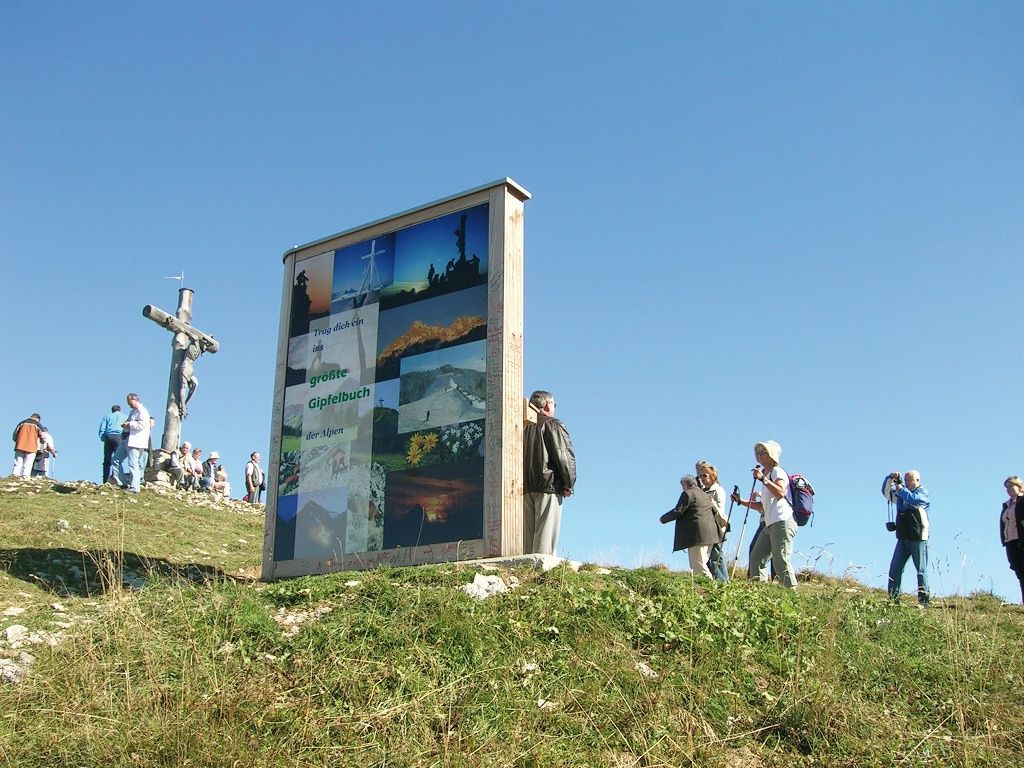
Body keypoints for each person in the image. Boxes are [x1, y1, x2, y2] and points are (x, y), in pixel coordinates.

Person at [732, 440, 798, 589]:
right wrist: (740, 501)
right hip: (770, 523)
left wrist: (763, 479)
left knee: (781, 559)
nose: (759, 455)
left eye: (763, 452)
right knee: (756, 558)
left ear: (772, 455)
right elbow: (762, 507)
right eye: (758, 452)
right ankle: (760, 593)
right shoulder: (768, 475)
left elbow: (780, 493)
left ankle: (791, 593)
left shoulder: (777, 471)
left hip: (782, 521)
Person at [523, 390, 576, 556]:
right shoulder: (553, 424)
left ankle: (525, 572)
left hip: (522, 488)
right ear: (546, 405)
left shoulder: (519, 426)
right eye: (554, 404)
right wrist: (569, 484)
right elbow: (564, 456)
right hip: (549, 486)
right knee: (545, 537)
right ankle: (541, 574)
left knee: (527, 537)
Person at [881, 469, 931, 606]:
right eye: (906, 480)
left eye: (910, 480)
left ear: (918, 480)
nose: (907, 483)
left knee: (921, 571)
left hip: (919, 538)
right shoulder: (901, 493)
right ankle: (894, 600)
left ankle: (923, 602)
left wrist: (900, 489)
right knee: (895, 569)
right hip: (903, 539)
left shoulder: (923, 494)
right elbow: (886, 493)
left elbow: (913, 500)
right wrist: (890, 478)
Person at [660, 474, 720, 578]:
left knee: (697, 565)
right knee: (701, 563)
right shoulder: (704, 495)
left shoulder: (688, 493)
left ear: (685, 484)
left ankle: (711, 588)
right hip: (711, 534)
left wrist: (663, 519)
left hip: (698, 536)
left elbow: (678, 511)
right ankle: (702, 590)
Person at [697, 461, 729, 581]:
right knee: (707, 556)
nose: (702, 478)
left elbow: (720, 510)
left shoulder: (718, 491)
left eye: (704, 475)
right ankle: (711, 579)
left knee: (717, 554)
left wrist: (712, 503)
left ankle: (722, 581)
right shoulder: (703, 491)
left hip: (717, 527)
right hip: (707, 528)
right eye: (700, 476)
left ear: (713, 476)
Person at [999, 476, 1024, 603]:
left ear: (1018, 486)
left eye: (1010, 486)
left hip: (1021, 540)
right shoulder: (1006, 505)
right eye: (1006, 487)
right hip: (1010, 541)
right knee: (1018, 570)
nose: (1008, 489)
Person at [123, 393, 151, 494]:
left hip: (136, 441)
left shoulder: (142, 411)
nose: (128, 404)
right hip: (129, 439)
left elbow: (141, 425)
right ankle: (121, 482)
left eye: (129, 402)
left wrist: (130, 424)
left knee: (133, 464)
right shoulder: (133, 411)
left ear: (134, 400)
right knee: (116, 459)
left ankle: (135, 488)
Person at [97, 405, 124, 483]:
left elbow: (102, 428)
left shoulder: (107, 416)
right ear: (120, 410)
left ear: (112, 410)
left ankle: (105, 480)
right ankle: (115, 479)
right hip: (119, 437)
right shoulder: (124, 417)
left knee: (107, 459)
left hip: (109, 436)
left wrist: (103, 438)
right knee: (117, 460)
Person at [11, 414, 42, 478]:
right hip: (32, 446)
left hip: (20, 445)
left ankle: (15, 474)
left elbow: (15, 434)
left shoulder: (22, 423)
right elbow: (43, 436)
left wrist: (17, 441)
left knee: (18, 461)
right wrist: (42, 442)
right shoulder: (38, 425)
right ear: (38, 419)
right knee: (28, 462)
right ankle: (25, 475)